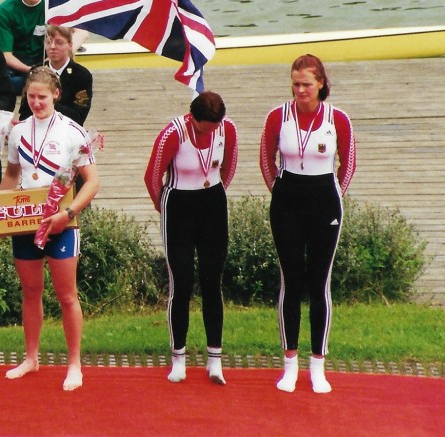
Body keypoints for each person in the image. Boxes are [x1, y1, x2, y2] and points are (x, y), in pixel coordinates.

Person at [0, 66, 100, 391]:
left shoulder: (73, 131)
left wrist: (68, 212)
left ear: (56, 94)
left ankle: (74, 364)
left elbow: (92, 182)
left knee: (67, 295)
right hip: (26, 222)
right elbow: (12, 176)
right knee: (30, 293)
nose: (36, 102)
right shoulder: (17, 132)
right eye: (31, 97)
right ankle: (31, 358)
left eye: (42, 97)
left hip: (62, 223)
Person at [260, 54, 356, 394]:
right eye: (295, 84)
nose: (300, 90)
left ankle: (318, 365)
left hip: (324, 200)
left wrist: (335, 196)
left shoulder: (337, 118)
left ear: (321, 84)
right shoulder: (278, 116)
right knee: (291, 281)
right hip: (287, 200)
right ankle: (289, 364)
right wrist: (280, 193)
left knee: (319, 283)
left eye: (307, 84)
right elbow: (266, 159)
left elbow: (348, 162)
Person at [144, 91, 238, 385]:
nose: (208, 132)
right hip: (178, 205)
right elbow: (152, 176)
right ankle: (178, 357)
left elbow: (229, 166)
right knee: (181, 282)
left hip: (212, 203)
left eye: (213, 128)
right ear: (192, 118)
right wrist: (165, 209)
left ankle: (215, 359)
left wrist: (215, 192)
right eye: (202, 128)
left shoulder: (227, 128)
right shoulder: (174, 132)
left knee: (212, 281)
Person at [16, 24, 92, 126]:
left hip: (67, 130)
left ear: (70, 45)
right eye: (48, 42)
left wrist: (48, 105)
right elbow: (25, 112)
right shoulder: (35, 72)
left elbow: (78, 116)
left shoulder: (81, 75)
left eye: (59, 43)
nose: (52, 47)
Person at [0, 0, 47, 92]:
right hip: (17, 62)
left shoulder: (51, 4)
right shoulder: (6, 10)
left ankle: (33, 84)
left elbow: (77, 32)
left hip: (43, 58)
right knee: (2, 82)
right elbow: (6, 55)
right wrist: (31, 71)